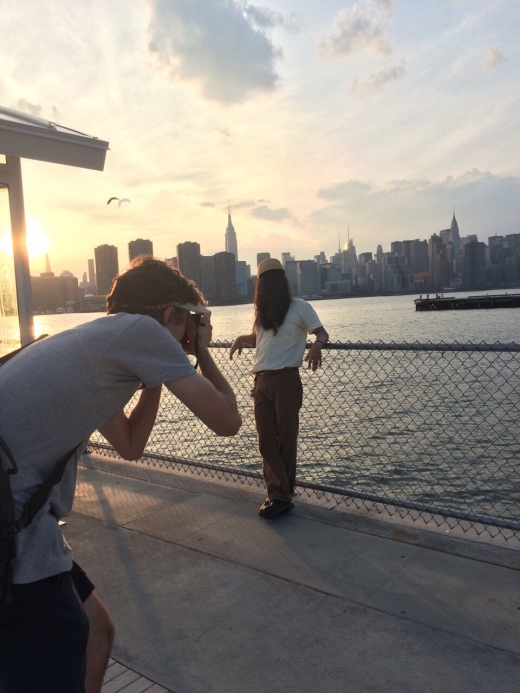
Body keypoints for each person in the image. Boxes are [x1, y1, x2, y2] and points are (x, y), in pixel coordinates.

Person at [0, 256, 241, 693]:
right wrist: (202, 352)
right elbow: (228, 421)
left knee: (97, 632)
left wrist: (157, 375)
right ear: (169, 314)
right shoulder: (141, 333)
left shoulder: (99, 346)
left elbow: (130, 445)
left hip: (18, 524)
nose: (191, 333)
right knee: (62, 649)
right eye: (190, 322)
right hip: (13, 539)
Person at [230, 258, 328, 520]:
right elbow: (261, 338)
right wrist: (243, 338)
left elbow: (321, 333)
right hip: (260, 382)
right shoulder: (262, 312)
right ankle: (280, 494)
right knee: (265, 440)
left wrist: (317, 345)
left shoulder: (299, 308)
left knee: (286, 439)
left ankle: (280, 495)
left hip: (285, 380)